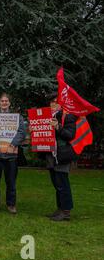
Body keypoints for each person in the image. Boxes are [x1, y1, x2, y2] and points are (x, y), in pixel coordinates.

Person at [36, 93, 77, 221]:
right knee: (56, 184)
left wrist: (58, 127)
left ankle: (66, 211)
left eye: (56, 101)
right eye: (51, 102)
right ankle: (60, 209)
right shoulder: (46, 117)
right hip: (50, 155)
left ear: (61, 103)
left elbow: (70, 135)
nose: (53, 104)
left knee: (62, 183)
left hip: (62, 155)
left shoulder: (67, 116)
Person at [0, 93, 25, 214]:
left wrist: (12, 144)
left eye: (6, 101)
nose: (4, 103)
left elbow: (21, 132)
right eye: (2, 101)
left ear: (9, 103)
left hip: (11, 156)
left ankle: (11, 204)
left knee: (11, 182)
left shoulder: (17, 117)